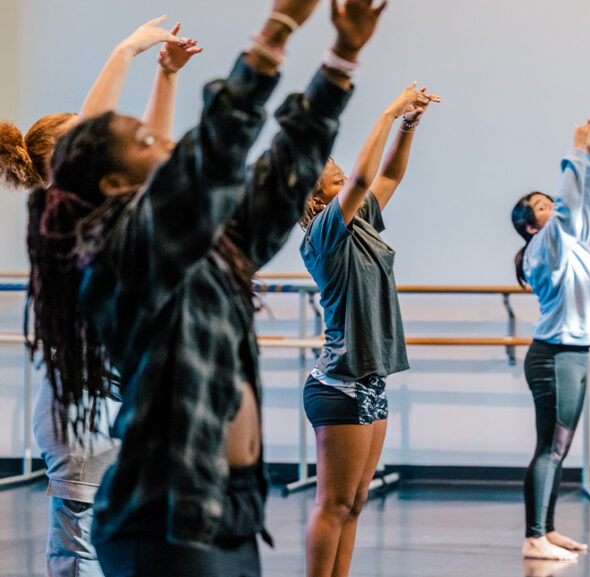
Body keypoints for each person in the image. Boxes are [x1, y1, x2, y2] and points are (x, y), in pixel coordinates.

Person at [45, 0, 386, 573]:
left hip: (231, 513)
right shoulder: (124, 254)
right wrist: (275, 33)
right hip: (166, 521)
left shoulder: (211, 247)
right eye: (148, 144)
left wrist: (341, 59)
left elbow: (283, 175)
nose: (167, 144)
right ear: (111, 182)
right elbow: (217, 151)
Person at [0, 16, 200, 576]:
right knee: (79, 551)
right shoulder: (62, 219)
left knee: (123, 547)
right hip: (80, 406)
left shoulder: (111, 217)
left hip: (113, 396)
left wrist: (167, 75)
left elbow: (153, 153)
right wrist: (127, 49)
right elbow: (98, 128)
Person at [298, 81, 438, 577]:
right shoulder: (324, 232)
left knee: (356, 502)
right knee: (332, 503)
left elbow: (388, 174)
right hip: (339, 384)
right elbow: (360, 177)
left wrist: (409, 123)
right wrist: (388, 109)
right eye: (322, 164)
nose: (332, 163)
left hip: (369, 382)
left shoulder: (359, 221)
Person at [510, 119, 590, 561]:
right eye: (542, 206)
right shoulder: (543, 246)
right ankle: (534, 536)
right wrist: (574, 152)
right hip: (555, 357)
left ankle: (546, 530)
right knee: (550, 446)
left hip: (574, 355)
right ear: (531, 226)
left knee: (558, 447)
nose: (551, 207)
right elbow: (570, 207)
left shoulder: (570, 244)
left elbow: (584, 206)